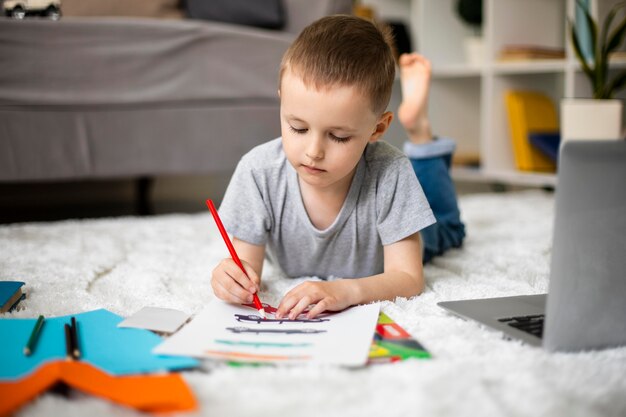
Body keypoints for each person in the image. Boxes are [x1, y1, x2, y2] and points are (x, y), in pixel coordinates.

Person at [211, 15, 465, 320]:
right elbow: (245, 267)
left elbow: (409, 279)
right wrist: (232, 279)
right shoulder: (258, 172)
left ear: (377, 129)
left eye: (338, 136)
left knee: (448, 228)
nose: (314, 152)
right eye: (298, 128)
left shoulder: (391, 173)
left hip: (413, 229)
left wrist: (344, 292)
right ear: (282, 103)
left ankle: (420, 133)